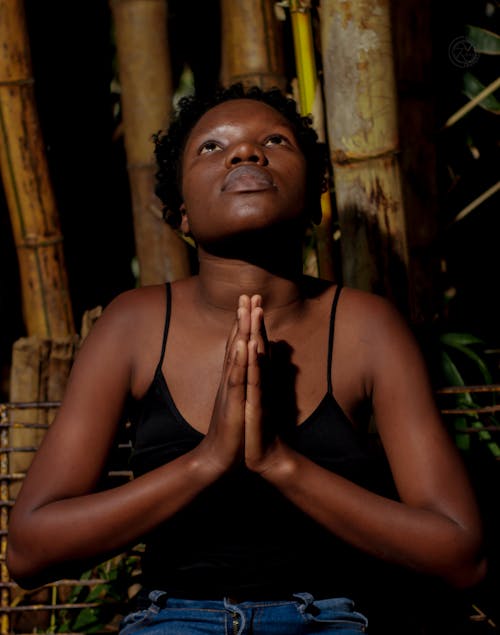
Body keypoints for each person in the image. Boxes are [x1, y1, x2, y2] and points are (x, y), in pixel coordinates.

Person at [7, 83, 486, 634]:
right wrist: (206, 460)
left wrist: (280, 464)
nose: (245, 153)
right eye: (212, 147)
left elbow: (460, 554)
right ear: (181, 212)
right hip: (172, 619)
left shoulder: (367, 327)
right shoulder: (132, 324)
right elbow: (30, 550)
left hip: (328, 619)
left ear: (313, 196)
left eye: (275, 141)